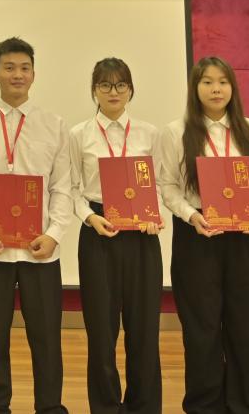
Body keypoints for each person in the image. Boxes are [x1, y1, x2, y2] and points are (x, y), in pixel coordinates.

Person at [157, 56, 249, 414]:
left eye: (223, 82)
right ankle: (204, 405)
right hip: (198, 237)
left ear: (232, 88)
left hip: (245, 237)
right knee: (202, 329)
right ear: (195, 88)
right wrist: (192, 215)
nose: (216, 89)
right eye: (207, 82)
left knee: (247, 327)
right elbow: (168, 187)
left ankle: (247, 405)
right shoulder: (176, 132)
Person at [0, 37, 73, 414]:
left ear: (34, 75)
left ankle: (49, 406)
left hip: (39, 250)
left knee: (46, 337)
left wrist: (53, 235)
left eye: (24, 68)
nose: (17, 75)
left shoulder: (54, 125)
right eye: (9, 68)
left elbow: (62, 188)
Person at [70, 58, 162, 414]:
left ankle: (144, 406)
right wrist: (90, 218)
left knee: (144, 329)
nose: (113, 92)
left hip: (141, 236)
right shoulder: (79, 135)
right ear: (94, 90)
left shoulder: (149, 133)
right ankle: (106, 405)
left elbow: (160, 183)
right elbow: (72, 188)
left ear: (131, 90)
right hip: (98, 232)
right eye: (105, 85)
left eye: (121, 85)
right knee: (101, 331)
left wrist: (154, 215)